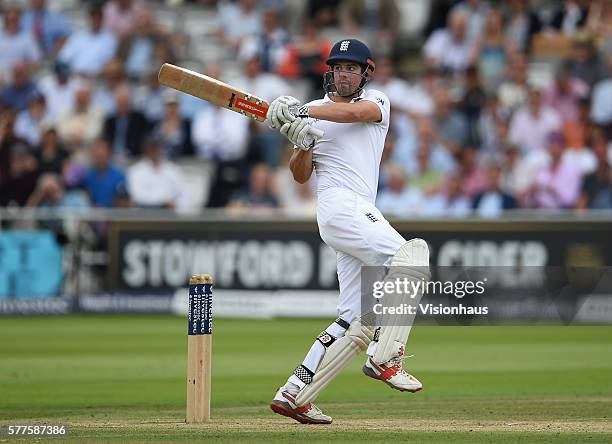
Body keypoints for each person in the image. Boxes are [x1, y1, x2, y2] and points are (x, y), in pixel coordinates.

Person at [266, 39, 430, 424]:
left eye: (352, 68)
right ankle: (386, 357)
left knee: (355, 318)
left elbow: (357, 115)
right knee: (412, 256)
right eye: (338, 68)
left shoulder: (376, 102)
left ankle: (295, 393)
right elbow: (300, 175)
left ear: (365, 73)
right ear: (330, 71)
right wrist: (303, 142)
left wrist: (304, 111)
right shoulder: (315, 116)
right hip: (340, 207)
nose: (344, 74)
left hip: (353, 213)